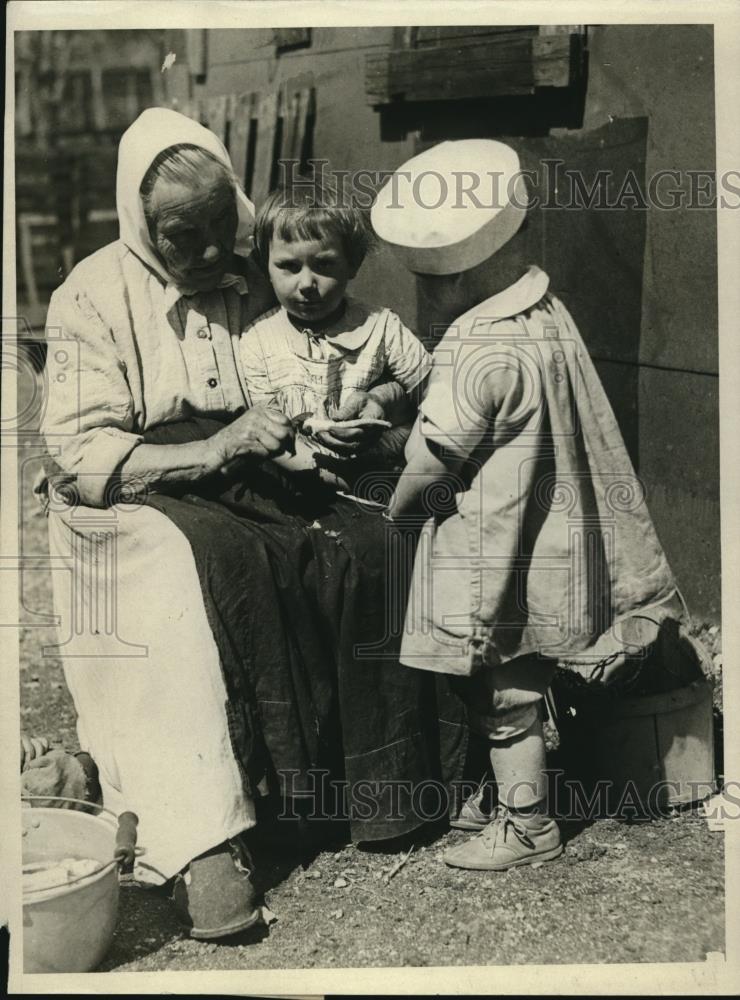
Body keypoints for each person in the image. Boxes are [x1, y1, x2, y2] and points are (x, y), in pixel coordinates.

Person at [35, 108, 466, 939]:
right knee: (218, 568)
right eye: (177, 237)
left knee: (368, 541)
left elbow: (326, 354)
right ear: (136, 223)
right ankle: (241, 824)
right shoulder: (91, 293)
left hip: (252, 465)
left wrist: (324, 426)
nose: (203, 254)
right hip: (137, 487)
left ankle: (388, 791)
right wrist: (224, 443)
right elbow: (79, 456)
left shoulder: (248, 272)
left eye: (215, 229)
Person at [371, 139, 681, 871]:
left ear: (454, 275)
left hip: (498, 546)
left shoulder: (475, 344)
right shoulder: (546, 311)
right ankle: (523, 794)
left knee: (499, 677)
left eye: (429, 281)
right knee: (532, 665)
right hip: (555, 537)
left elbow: (433, 457)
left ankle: (528, 824)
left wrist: (400, 511)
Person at [240, 177, 431, 484]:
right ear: (266, 268)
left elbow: (434, 391)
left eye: (324, 265)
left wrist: (384, 405)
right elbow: (268, 432)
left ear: (352, 264)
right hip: (298, 480)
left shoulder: (381, 326)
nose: (306, 285)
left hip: (381, 472)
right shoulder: (257, 341)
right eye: (288, 266)